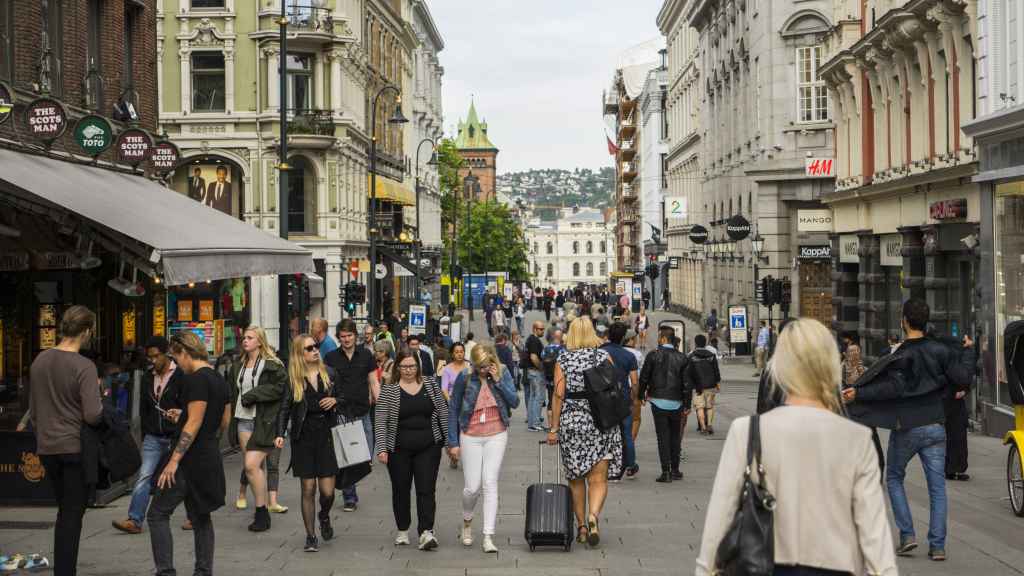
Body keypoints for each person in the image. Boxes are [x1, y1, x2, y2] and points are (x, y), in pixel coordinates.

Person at [696, 318, 898, 576]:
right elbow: (875, 538)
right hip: (835, 567)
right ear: (831, 365)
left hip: (764, 564)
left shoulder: (747, 432)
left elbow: (719, 521)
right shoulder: (857, 439)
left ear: (780, 367)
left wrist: (705, 569)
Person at [843, 298, 975, 561]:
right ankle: (937, 545)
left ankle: (907, 535)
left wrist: (858, 393)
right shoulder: (940, 351)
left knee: (893, 477)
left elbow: (890, 389)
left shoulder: (900, 354)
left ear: (904, 321)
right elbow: (963, 378)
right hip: (936, 425)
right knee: (937, 486)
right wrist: (969, 351)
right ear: (926, 322)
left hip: (907, 427)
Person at [28, 306, 102, 576]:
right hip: (74, 447)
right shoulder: (84, 366)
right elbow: (92, 414)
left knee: (65, 510)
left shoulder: (39, 361)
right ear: (85, 332)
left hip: (47, 447)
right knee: (72, 516)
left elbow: (34, 411)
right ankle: (64, 571)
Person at [150, 331, 231, 576]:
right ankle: (203, 571)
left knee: (157, 514)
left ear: (184, 352)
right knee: (200, 515)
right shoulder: (219, 379)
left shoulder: (196, 379)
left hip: (189, 459)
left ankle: (166, 571)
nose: (176, 364)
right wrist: (183, 416)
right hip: (208, 454)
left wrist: (174, 460)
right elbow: (223, 421)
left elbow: (194, 422)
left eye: (175, 358)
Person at [546, 316, 622, 547]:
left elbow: (559, 394)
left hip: (573, 422)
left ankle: (580, 527)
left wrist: (554, 428)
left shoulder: (564, 359)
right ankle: (593, 517)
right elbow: (614, 387)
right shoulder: (603, 356)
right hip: (600, 420)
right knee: (598, 478)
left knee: (576, 478)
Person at [374, 346, 450, 550]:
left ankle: (426, 531)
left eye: (412, 366)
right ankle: (402, 529)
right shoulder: (390, 390)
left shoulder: (431, 385)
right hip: (398, 449)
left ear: (418, 366)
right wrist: (381, 448)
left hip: (428, 446)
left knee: (426, 489)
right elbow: (380, 420)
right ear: (398, 367)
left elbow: (443, 412)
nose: (408, 370)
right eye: (404, 366)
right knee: (401, 490)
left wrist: (449, 442)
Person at [447, 345, 519, 553]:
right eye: (478, 367)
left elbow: (514, 402)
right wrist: (453, 442)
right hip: (471, 434)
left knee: (490, 482)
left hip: (497, 433)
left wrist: (498, 382)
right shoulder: (465, 377)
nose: (482, 371)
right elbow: (453, 409)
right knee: (472, 487)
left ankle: (488, 535)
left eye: (485, 366)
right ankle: (467, 521)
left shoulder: (503, 372)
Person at [113, 336, 184, 535]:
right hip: (153, 436)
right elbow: (145, 408)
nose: (152, 360)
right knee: (144, 475)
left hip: (175, 436)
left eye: (156, 356)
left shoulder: (181, 375)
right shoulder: (147, 376)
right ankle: (135, 519)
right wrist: (146, 432)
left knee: (186, 476)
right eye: (149, 357)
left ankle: (194, 517)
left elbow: (189, 404)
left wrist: (179, 416)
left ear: (166, 354)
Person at [276, 335, 340, 553]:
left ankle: (324, 516)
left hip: (326, 435)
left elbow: (345, 398)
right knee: (308, 488)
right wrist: (280, 433)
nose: (315, 350)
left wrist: (335, 401)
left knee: (328, 492)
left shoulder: (329, 373)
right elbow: (284, 407)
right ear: (299, 353)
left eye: (316, 346)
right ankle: (311, 536)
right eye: (309, 348)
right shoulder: (293, 378)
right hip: (303, 437)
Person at [230, 326, 288, 530]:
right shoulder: (239, 365)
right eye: (244, 337)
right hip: (243, 419)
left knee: (252, 465)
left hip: (263, 421)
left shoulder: (272, 365)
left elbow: (280, 389)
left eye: (250, 338)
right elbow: (233, 393)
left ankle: (263, 511)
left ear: (260, 341)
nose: (245, 341)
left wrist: (254, 394)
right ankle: (262, 510)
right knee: (252, 468)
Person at [324, 319, 379, 512]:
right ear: (338, 338)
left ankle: (351, 482)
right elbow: (326, 383)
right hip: (342, 414)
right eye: (343, 336)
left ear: (356, 335)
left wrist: (380, 404)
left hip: (363, 411)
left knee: (366, 456)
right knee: (348, 457)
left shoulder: (366, 355)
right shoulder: (331, 358)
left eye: (349, 335)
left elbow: (373, 381)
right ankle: (350, 496)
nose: (346, 339)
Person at [638, 326, 691, 483]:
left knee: (662, 437)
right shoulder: (682, 358)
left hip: (658, 400)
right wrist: (687, 405)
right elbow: (687, 384)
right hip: (677, 402)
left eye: (659, 336)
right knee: (675, 436)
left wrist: (641, 395)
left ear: (662, 338)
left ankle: (665, 471)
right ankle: (675, 469)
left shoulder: (653, 355)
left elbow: (644, 378)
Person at [600, 322, 640, 479]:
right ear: (623, 337)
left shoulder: (600, 352)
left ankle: (605, 462)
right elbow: (634, 382)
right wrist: (633, 398)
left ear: (608, 335)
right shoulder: (629, 356)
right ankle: (630, 463)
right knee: (627, 434)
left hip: (603, 399)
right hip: (622, 398)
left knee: (605, 432)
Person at [688, 334, 721, 436]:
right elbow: (716, 371)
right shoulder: (711, 355)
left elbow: (689, 372)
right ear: (705, 342)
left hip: (697, 386)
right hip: (711, 384)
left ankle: (703, 427)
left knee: (700, 407)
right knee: (710, 406)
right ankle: (710, 425)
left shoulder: (691, 356)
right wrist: (717, 382)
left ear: (696, 343)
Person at [523, 321, 547, 431]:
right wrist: (541, 368)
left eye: (543, 329)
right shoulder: (534, 340)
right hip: (536, 372)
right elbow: (533, 357)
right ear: (534, 329)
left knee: (533, 397)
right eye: (541, 329)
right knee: (539, 397)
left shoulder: (530, 339)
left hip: (531, 372)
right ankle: (535, 423)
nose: (542, 331)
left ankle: (532, 423)